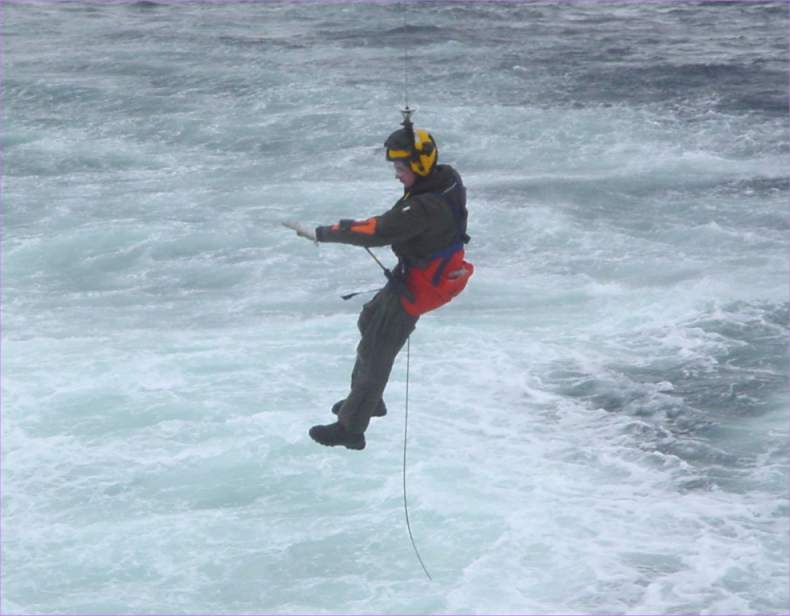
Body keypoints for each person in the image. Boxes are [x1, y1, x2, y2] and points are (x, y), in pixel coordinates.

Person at [286, 113, 473, 450]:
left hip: (418, 285)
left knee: (377, 352)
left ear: (421, 166)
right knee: (370, 318)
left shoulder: (424, 207)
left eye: (402, 169)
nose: (397, 175)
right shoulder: (446, 179)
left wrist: (320, 234)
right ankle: (368, 400)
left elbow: (379, 230)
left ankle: (351, 428)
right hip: (425, 273)